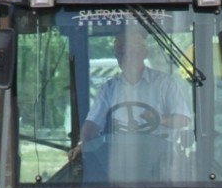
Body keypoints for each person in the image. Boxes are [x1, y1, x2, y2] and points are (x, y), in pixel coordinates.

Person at [71, 23, 191, 159]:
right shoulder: (109, 88)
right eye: (120, 53)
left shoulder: (165, 83)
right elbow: (92, 122)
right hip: (118, 157)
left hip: (161, 155)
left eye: (132, 52)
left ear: (144, 53)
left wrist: (159, 119)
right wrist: (82, 144)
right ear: (116, 56)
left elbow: (183, 119)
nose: (126, 57)